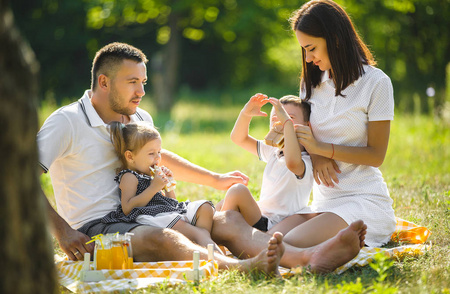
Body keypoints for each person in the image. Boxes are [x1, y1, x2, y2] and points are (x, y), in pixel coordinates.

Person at [37, 42, 284, 276]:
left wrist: (215, 179)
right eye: (132, 82)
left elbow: (157, 158)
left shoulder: (139, 117)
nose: (142, 92)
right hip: (97, 229)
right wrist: (62, 231)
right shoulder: (66, 121)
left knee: (225, 220)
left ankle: (303, 259)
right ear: (104, 82)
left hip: (147, 212)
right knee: (162, 237)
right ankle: (243, 267)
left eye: (143, 82)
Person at [258, 0, 396, 248]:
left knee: (288, 243)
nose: (308, 58)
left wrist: (323, 149)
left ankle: (336, 248)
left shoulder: (377, 83)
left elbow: (376, 155)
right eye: (304, 51)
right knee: (267, 239)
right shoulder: (311, 83)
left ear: (335, 39)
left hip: (363, 199)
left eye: (312, 48)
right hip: (325, 202)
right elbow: (304, 133)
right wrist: (316, 155)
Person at [101, 121, 222, 253]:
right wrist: (154, 187)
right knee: (199, 233)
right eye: (151, 154)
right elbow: (127, 208)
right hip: (152, 217)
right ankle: (209, 249)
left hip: (167, 212)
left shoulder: (150, 175)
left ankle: (200, 242)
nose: (157, 158)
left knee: (205, 208)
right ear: (130, 156)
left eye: (159, 152)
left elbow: (172, 203)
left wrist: (168, 187)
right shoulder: (129, 177)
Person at [216, 94, 314, 234]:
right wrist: (245, 114)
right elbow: (239, 138)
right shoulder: (274, 152)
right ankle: (211, 234)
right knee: (220, 205)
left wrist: (287, 125)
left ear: (307, 125)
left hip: (272, 226)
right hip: (259, 216)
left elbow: (292, 163)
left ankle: (220, 235)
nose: (280, 123)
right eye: (275, 119)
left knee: (238, 191)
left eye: (289, 118)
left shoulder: (306, 162)